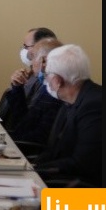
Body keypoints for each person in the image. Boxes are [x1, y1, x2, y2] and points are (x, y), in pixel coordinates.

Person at [33, 44, 102, 187]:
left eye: (47, 75)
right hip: (65, 180)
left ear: (57, 81)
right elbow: (55, 151)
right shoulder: (72, 101)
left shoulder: (94, 105)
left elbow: (83, 163)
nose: (46, 80)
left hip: (91, 195)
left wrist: (35, 170)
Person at [0, 27, 57, 128]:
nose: (23, 51)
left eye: (26, 46)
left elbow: (27, 121)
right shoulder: (31, 75)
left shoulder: (50, 85)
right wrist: (17, 87)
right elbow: (21, 114)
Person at [6, 37, 64, 145]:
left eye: (33, 57)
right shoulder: (46, 87)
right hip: (20, 143)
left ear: (44, 61)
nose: (31, 63)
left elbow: (38, 139)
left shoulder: (54, 94)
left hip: (27, 149)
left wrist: (6, 142)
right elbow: (24, 122)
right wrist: (17, 88)